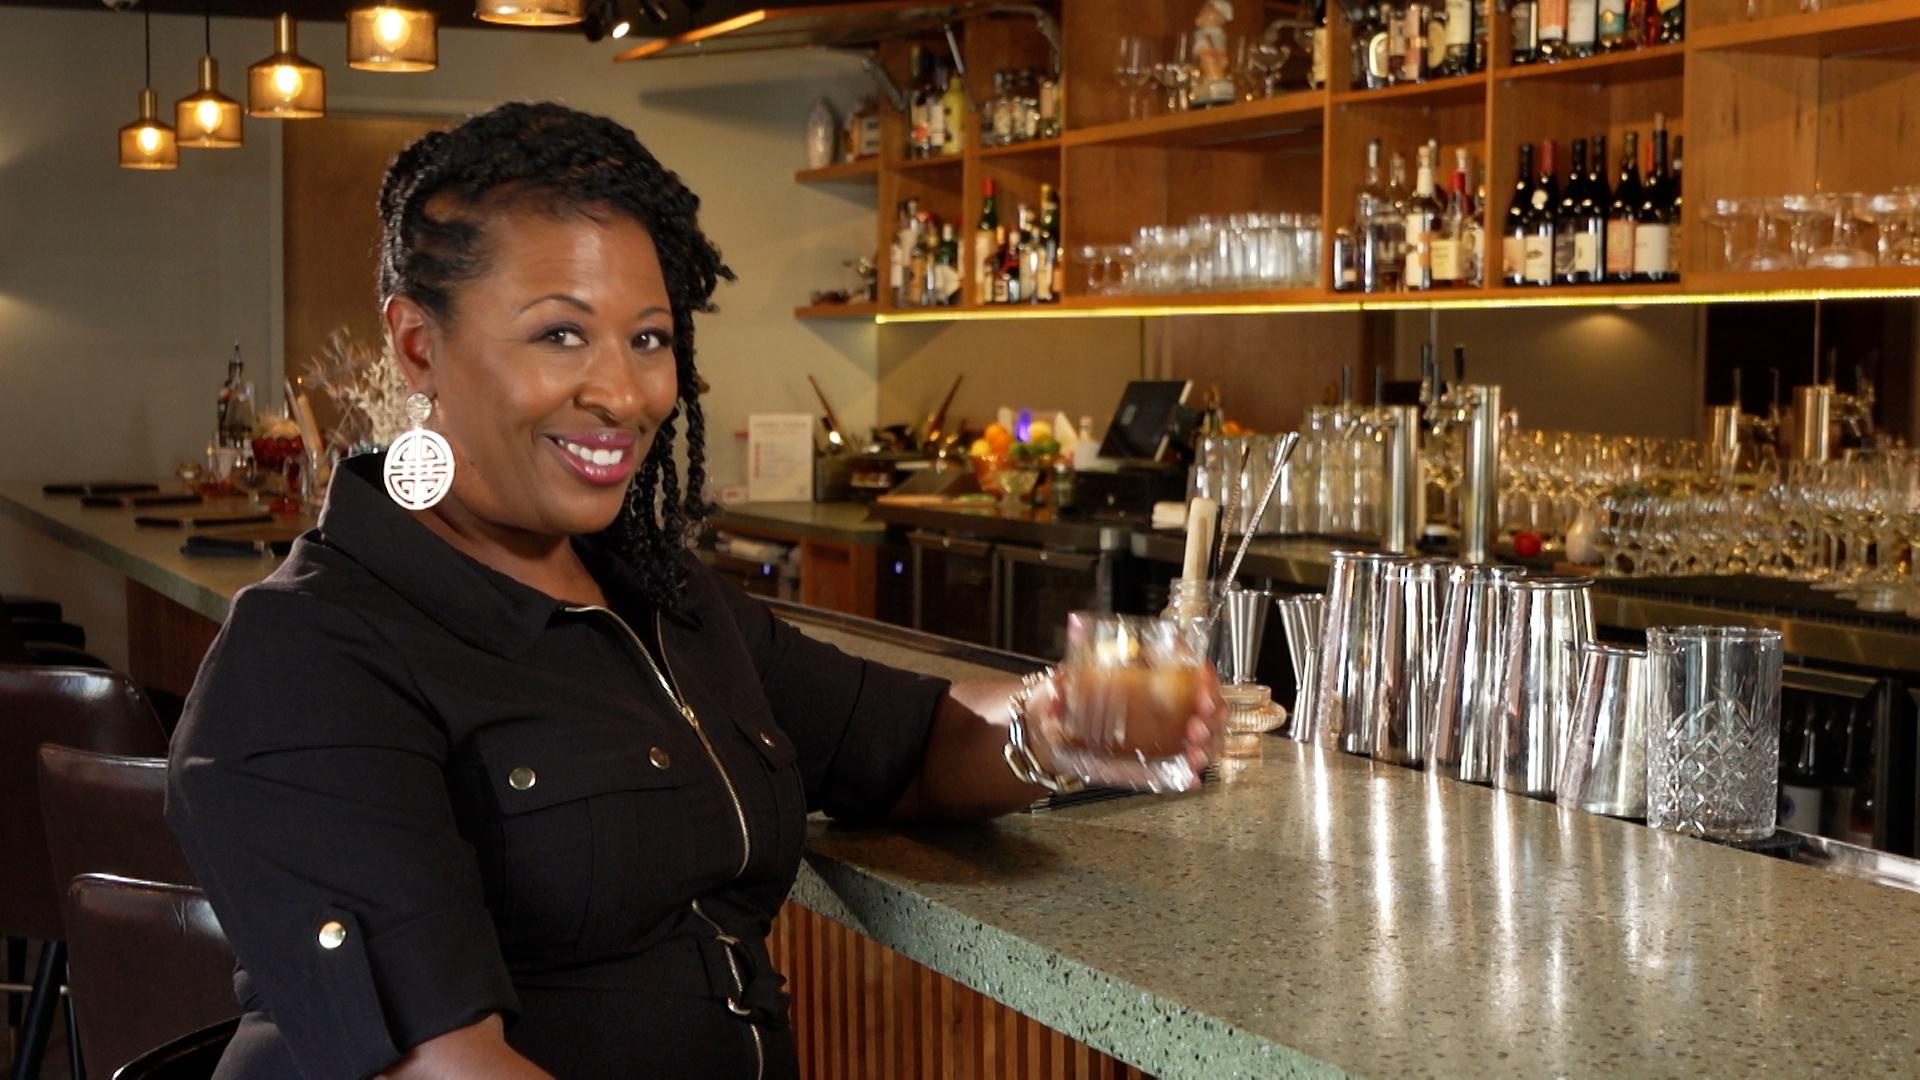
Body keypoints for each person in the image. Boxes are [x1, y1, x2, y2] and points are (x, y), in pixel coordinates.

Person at [167, 102, 1223, 1080]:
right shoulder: (309, 656)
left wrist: (1061, 727)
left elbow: (905, 748)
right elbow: (448, 1071)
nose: (625, 394)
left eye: (649, 339)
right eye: (559, 334)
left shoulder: (660, 603)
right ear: (417, 345)